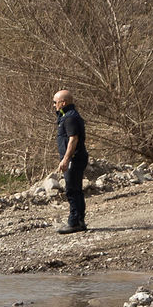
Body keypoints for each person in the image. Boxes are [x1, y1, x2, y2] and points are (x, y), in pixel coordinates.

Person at [53, 88, 88, 234]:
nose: (54, 105)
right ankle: (79, 220)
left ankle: (74, 222)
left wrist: (66, 159)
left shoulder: (70, 118)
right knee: (75, 190)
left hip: (74, 158)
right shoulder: (66, 116)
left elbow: (73, 139)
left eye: (55, 102)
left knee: (72, 191)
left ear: (63, 102)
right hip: (75, 158)